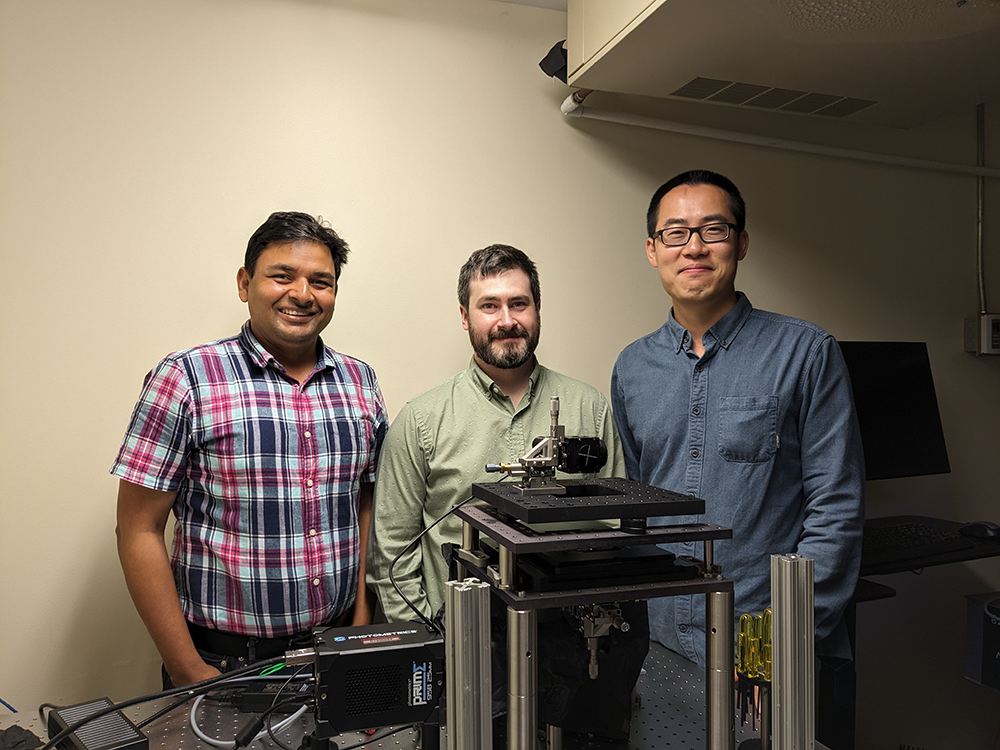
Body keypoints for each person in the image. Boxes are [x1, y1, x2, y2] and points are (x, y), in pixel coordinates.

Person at [113, 211, 387, 688]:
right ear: (245, 283)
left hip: (335, 651)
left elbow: (366, 504)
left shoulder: (360, 381)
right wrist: (188, 670)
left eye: (320, 281)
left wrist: (361, 626)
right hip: (223, 666)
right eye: (282, 276)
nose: (302, 294)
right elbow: (138, 528)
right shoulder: (186, 378)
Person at [611, 170, 864, 667]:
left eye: (714, 230)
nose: (694, 248)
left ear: (741, 243)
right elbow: (633, 508)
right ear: (652, 249)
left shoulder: (806, 352)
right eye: (675, 233)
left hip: (765, 642)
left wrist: (785, 640)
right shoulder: (633, 367)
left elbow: (837, 506)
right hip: (659, 637)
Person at [367, 243, 626, 625]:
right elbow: (392, 553)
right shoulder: (421, 420)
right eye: (489, 306)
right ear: (464, 316)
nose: (507, 320)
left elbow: (616, 527)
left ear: (538, 309)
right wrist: (430, 642)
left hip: (574, 637)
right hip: (460, 643)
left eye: (519, 304)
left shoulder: (589, 406)